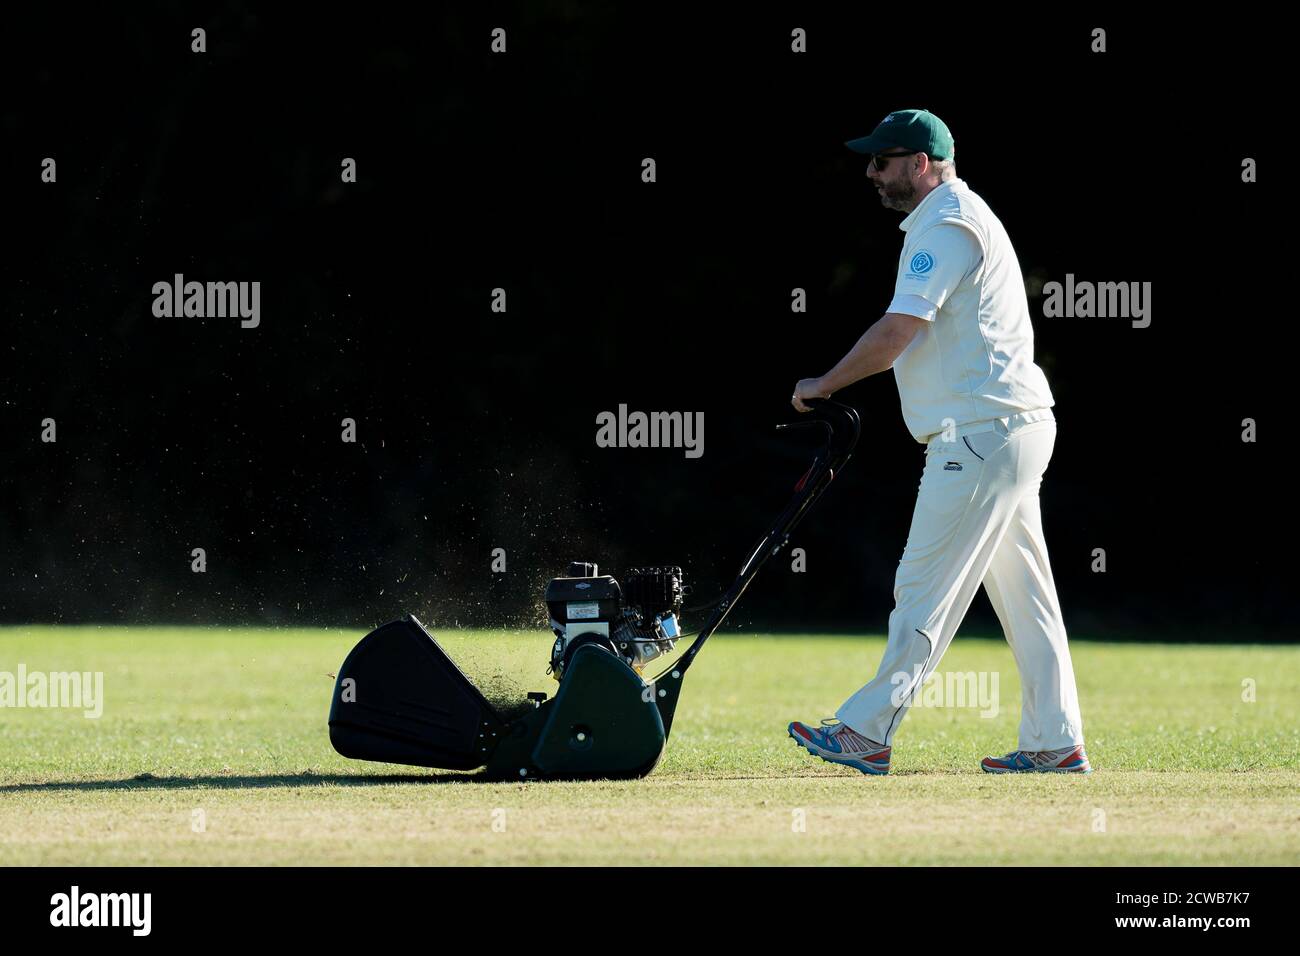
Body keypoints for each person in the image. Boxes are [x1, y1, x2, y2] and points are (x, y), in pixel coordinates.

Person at [787, 109, 1089, 775]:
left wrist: (824, 384)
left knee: (925, 588)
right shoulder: (955, 215)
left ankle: (867, 732)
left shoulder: (946, 223)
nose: (871, 172)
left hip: (981, 437)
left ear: (920, 163)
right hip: (1009, 428)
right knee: (1027, 598)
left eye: (882, 160)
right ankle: (1055, 742)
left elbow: (900, 332)